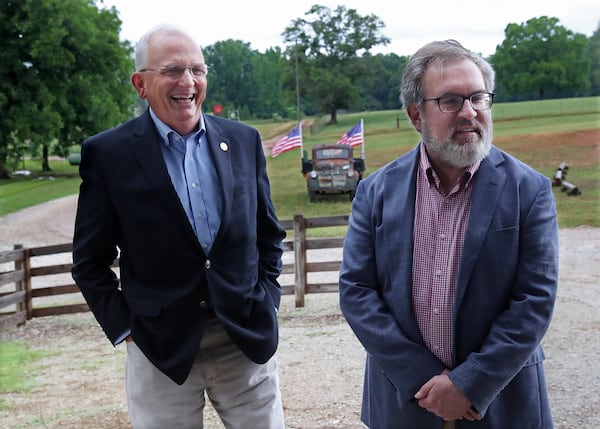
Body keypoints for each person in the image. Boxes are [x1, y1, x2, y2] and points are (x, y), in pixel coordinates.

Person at [71, 25, 286, 429]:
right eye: (172, 70)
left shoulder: (244, 141)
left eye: (197, 70)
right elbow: (88, 262)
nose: (187, 82)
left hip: (243, 338)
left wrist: (267, 299)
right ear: (140, 83)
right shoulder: (108, 154)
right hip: (158, 346)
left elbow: (268, 234)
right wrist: (125, 329)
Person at [338, 39, 558, 429]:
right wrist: (423, 378)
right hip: (405, 404)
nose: (469, 112)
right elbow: (357, 291)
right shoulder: (376, 191)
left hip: (501, 404)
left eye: (478, 98)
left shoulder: (529, 190)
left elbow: (534, 300)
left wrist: (468, 384)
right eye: (451, 101)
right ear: (416, 115)